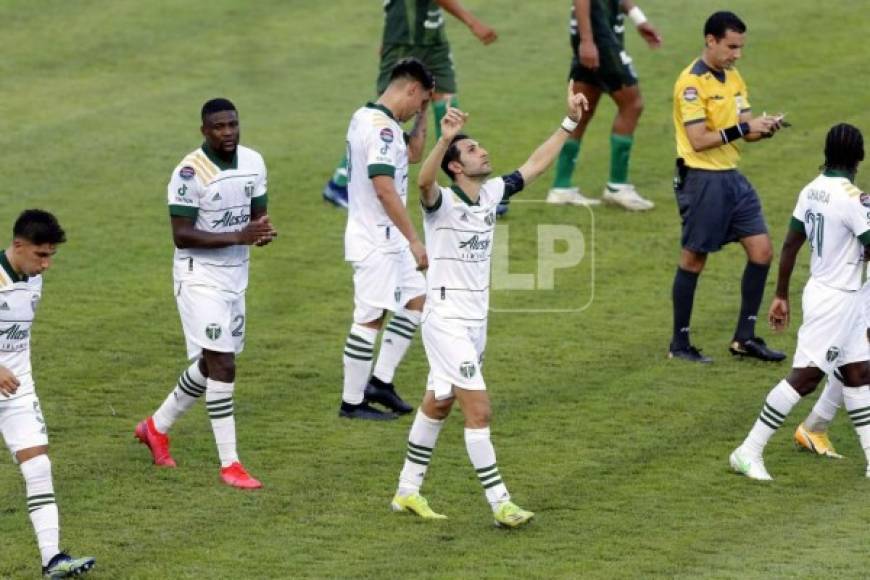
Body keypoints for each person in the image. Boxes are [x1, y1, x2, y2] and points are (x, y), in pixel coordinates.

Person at [389, 83, 588, 527]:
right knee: (478, 410)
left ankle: (406, 492)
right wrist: (445, 137)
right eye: (473, 150)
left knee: (438, 404)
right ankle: (501, 503)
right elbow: (423, 180)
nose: (483, 152)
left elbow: (535, 164)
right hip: (445, 320)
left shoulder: (493, 193)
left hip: (476, 322)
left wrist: (569, 122)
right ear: (456, 167)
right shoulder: (440, 203)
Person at [135, 98, 277, 490]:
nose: (228, 132)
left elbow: (255, 218)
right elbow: (182, 236)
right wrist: (239, 236)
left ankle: (155, 426)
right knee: (224, 364)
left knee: (209, 363)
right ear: (204, 131)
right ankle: (230, 464)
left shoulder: (253, 162)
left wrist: (260, 233)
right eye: (218, 127)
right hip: (199, 278)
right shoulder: (188, 173)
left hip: (236, 277)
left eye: (233, 124)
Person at [730, 123, 870, 481]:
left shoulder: (812, 190)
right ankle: (748, 451)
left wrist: (780, 294)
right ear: (859, 156)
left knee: (858, 373)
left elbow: (792, 243)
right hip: (837, 300)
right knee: (805, 378)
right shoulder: (853, 199)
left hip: (833, 293)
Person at [668, 11, 787, 364]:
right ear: (711, 40)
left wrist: (764, 128)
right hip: (702, 178)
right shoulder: (691, 83)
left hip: (731, 177)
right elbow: (698, 139)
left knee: (762, 251)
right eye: (732, 47)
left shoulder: (733, 78)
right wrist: (741, 129)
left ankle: (744, 338)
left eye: (740, 47)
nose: (737, 54)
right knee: (694, 258)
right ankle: (679, 343)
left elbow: (745, 128)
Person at [323, 0, 497, 209]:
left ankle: (466, 187)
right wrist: (472, 22)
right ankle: (340, 183)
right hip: (404, 37)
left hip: (432, 39)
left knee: (448, 106)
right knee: (388, 114)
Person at [0, 210, 95, 578]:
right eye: (41, 255)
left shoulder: (34, 280)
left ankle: (52, 559)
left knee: (38, 467)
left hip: (18, 391)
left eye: (51, 256)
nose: (47, 264)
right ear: (18, 246)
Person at [339, 58, 435, 421]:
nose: (419, 108)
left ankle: (380, 382)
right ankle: (352, 403)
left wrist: (425, 115)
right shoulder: (380, 130)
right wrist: (414, 238)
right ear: (411, 89)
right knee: (370, 317)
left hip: (386, 236)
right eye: (421, 101)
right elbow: (384, 188)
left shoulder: (373, 119)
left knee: (415, 299)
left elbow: (412, 155)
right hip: (376, 238)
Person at [547, 0, 661, 211]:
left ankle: (561, 188)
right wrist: (587, 41)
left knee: (581, 110)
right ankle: (617, 187)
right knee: (632, 104)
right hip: (598, 34)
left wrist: (638, 19)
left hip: (600, 30)